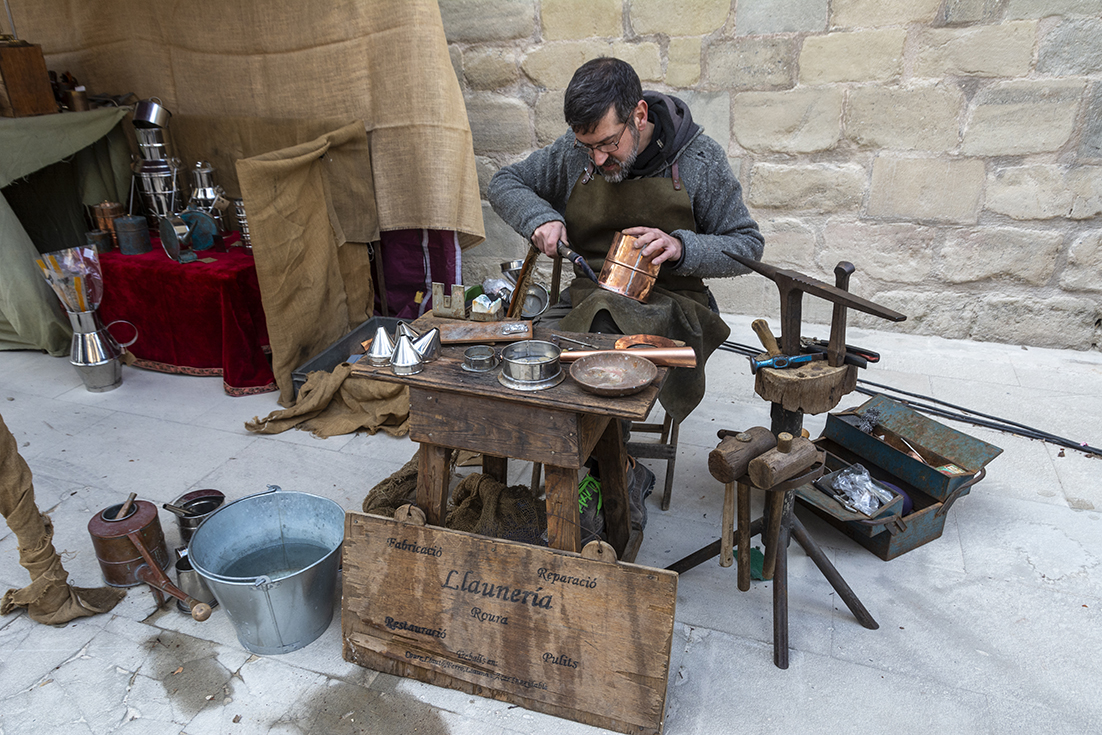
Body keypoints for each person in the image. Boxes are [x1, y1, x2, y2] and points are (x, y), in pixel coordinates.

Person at [488, 57, 764, 426]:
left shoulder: (700, 158)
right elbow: (504, 182)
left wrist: (683, 249)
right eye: (588, 147)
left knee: (604, 352)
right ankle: (591, 459)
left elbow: (747, 245)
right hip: (591, 291)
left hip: (673, 302)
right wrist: (540, 218)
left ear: (638, 114)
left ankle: (615, 468)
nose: (599, 158)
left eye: (608, 143)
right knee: (528, 356)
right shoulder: (575, 152)